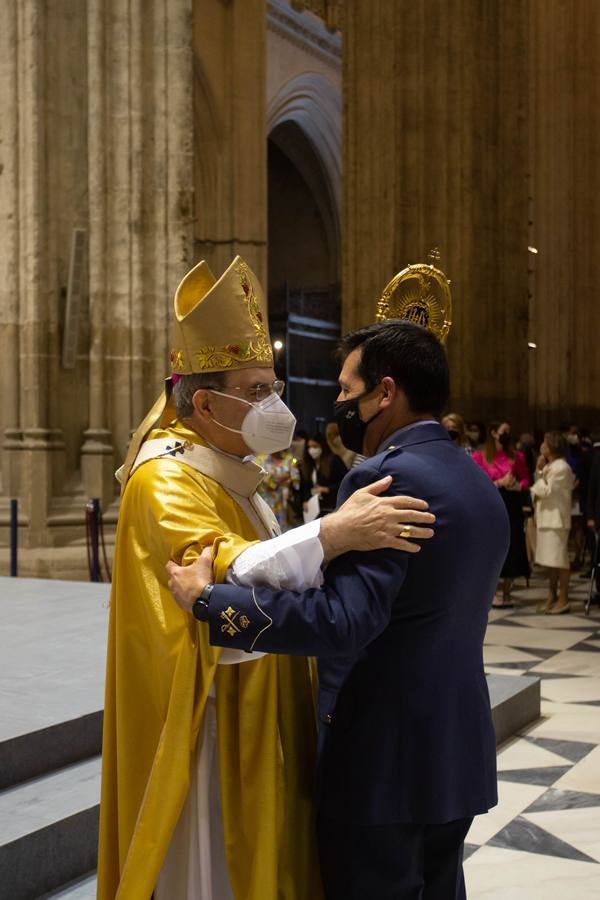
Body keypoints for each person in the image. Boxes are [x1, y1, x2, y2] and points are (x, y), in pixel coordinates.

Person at [96, 258, 435, 900]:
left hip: (261, 697)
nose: (274, 405)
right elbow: (223, 571)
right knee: (210, 866)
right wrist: (330, 534)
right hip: (206, 724)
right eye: (255, 391)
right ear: (202, 401)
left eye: (272, 386)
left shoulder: (231, 465)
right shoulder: (164, 477)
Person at [167, 319, 510, 900]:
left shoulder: (381, 478)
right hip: (457, 749)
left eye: (348, 391)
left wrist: (212, 602)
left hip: (381, 761)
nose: (339, 405)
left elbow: (344, 621)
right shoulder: (475, 479)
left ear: (386, 393)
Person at [473, 421, 530, 607]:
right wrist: (499, 483)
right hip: (491, 503)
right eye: (504, 431)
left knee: (512, 545)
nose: (507, 434)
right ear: (493, 433)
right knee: (492, 545)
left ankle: (507, 590)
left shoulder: (517, 456)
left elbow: (525, 480)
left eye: (509, 431)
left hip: (512, 504)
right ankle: (492, 590)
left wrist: (516, 485)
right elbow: (476, 483)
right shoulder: (480, 456)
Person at [531, 431, 575, 614]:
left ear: (552, 446)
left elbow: (547, 491)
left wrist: (540, 474)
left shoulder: (561, 467)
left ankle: (563, 598)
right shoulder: (551, 466)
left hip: (556, 519)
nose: (541, 446)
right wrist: (540, 472)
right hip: (546, 519)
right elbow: (537, 489)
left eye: (544, 442)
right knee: (550, 561)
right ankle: (551, 595)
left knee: (560, 561)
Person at [301, 432, 348, 516]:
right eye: (309, 447)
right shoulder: (310, 464)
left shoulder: (334, 460)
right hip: (314, 508)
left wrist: (327, 489)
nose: (311, 450)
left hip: (332, 507)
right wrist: (305, 500)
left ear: (322, 446)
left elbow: (345, 481)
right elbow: (306, 486)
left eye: (315, 446)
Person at [255, 448, 300, 531]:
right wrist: (279, 479)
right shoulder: (261, 460)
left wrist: (289, 477)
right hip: (266, 502)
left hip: (286, 504)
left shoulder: (290, 459)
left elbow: (296, 480)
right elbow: (261, 480)